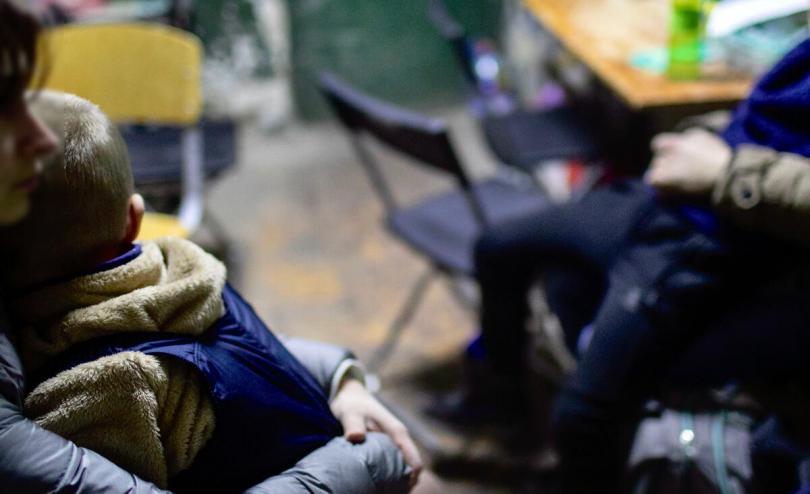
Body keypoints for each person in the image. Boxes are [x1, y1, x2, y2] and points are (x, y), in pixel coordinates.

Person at [0, 3, 419, 492]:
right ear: (136, 220)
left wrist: (342, 376)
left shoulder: (107, 390)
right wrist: (372, 451)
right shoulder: (190, 274)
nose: (26, 123)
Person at [465, 37, 810, 493]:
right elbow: (778, 119)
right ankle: (505, 404)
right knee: (497, 248)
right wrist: (702, 135)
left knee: (581, 417)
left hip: (714, 236)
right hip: (670, 201)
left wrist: (727, 172)